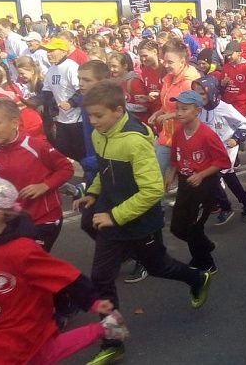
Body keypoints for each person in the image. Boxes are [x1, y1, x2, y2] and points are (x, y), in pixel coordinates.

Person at [0, 175, 129, 365]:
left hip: (24, 324)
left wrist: (93, 300)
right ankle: (105, 329)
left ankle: (104, 328)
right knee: (43, 355)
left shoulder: (22, 250)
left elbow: (63, 275)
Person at [74, 83, 213, 364]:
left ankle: (198, 278)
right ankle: (112, 342)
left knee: (158, 266)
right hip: (111, 220)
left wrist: (114, 215)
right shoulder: (102, 134)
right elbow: (105, 169)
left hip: (139, 223)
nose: (93, 122)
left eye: (98, 115)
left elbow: (152, 191)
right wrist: (93, 192)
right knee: (101, 278)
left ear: (118, 111)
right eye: (90, 115)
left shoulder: (135, 140)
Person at [0, 98, 72, 251]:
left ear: (14, 123)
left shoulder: (36, 146)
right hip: (10, 220)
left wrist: (44, 185)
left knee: (30, 264)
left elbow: (66, 169)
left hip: (42, 218)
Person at [164, 90, 231, 273]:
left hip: (204, 185)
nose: (178, 113)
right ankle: (205, 245)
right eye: (177, 108)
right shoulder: (178, 133)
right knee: (177, 227)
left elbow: (223, 161)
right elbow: (175, 159)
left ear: (197, 111)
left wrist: (201, 174)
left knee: (193, 227)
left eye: (184, 109)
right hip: (186, 184)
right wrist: (171, 174)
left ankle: (206, 262)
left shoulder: (207, 135)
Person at [190, 76, 246, 223]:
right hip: (209, 151)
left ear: (211, 91)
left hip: (226, 150)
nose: (199, 97)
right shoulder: (199, 109)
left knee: (212, 178)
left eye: (202, 93)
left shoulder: (225, 108)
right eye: (196, 93)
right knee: (229, 178)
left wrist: (236, 139)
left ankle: (225, 207)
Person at [148, 38, 200, 177]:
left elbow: (191, 111)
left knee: (159, 175)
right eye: (164, 61)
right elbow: (169, 105)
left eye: (170, 62)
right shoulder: (169, 78)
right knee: (159, 173)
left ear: (182, 61)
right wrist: (159, 112)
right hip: (167, 135)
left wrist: (168, 116)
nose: (165, 65)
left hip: (183, 138)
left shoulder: (189, 82)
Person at [41, 37, 85, 161]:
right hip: (61, 119)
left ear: (63, 51)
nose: (48, 54)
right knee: (63, 150)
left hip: (77, 119)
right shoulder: (51, 70)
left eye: (52, 50)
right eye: (47, 51)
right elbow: (47, 92)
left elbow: (82, 90)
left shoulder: (71, 67)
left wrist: (71, 103)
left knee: (80, 151)